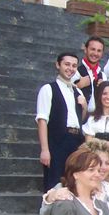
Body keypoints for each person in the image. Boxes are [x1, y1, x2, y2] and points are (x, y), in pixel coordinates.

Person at [36, 52, 87, 191]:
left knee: (74, 183)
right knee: (54, 183)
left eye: (74, 66)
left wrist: (84, 107)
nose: (70, 68)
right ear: (58, 65)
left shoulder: (78, 92)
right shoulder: (48, 89)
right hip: (57, 141)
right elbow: (42, 120)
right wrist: (45, 150)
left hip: (76, 141)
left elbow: (79, 120)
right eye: (67, 64)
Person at [73, 36, 107, 112]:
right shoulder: (75, 72)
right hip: (79, 114)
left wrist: (103, 89)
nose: (95, 53)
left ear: (102, 53)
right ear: (85, 49)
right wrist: (78, 86)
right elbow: (64, 94)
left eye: (99, 51)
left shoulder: (103, 76)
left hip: (96, 116)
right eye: (93, 49)